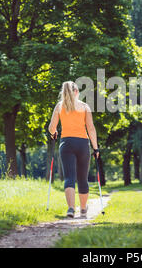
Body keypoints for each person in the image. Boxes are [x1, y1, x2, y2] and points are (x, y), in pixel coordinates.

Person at [49, 81, 100, 218]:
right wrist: (96, 148)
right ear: (76, 92)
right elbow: (91, 128)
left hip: (66, 143)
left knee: (69, 177)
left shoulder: (59, 106)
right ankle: (83, 209)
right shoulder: (84, 106)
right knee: (82, 178)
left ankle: (71, 208)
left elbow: (51, 128)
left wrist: (54, 133)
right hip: (83, 144)